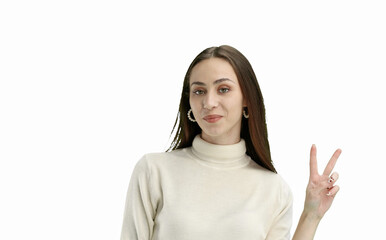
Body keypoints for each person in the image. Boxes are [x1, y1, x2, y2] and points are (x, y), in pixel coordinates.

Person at [120, 45, 341, 240]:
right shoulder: (153, 171)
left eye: (223, 89)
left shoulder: (274, 190)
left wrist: (311, 215)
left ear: (246, 98)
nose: (209, 102)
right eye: (199, 91)